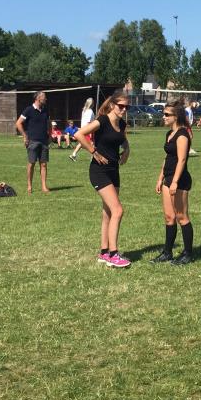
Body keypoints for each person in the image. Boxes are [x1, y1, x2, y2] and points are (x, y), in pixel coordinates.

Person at [73, 92, 131, 268]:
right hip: (99, 171)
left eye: (126, 107)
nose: (124, 109)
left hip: (114, 170)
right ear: (112, 105)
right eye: (121, 106)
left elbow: (123, 140)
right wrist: (93, 151)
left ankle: (104, 252)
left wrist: (127, 150)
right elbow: (79, 134)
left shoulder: (121, 123)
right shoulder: (102, 121)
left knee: (108, 213)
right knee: (118, 210)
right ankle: (113, 255)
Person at [152, 100, 195, 264]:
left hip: (180, 180)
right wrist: (160, 178)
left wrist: (175, 182)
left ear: (176, 116)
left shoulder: (182, 134)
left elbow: (182, 160)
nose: (163, 117)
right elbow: (168, 157)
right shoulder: (169, 133)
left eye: (167, 114)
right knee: (169, 217)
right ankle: (167, 252)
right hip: (168, 178)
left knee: (181, 217)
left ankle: (187, 254)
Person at [16, 91, 51, 194]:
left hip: (44, 141)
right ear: (38, 98)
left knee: (43, 164)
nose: (46, 99)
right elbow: (18, 123)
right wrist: (25, 136)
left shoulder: (45, 110)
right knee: (31, 164)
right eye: (44, 97)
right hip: (32, 141)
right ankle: (29, 186)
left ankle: (44, 186)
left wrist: (50, 135)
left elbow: (49, 123)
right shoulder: (28, 110)